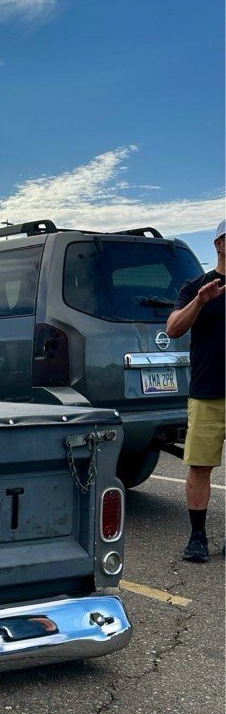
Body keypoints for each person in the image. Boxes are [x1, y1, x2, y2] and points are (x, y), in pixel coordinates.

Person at [166, 220, 226, 562]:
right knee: (200, 466)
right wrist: (200, 302)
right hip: (208, 391)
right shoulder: (196, 286)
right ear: (219, 243)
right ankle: (197, 538)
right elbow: (173, 329)